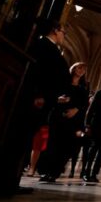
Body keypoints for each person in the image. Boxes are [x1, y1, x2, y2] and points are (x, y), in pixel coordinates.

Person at [25, 20, 71, 178]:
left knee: (31, 133)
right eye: (64, 32)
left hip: (47, 99)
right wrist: (39, 95)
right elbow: (38, 72)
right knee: (27, 135)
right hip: (39, 99)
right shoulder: (43, 45)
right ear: (55, 30)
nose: (64, 36)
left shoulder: (50, 47)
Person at [39, 62, 89, 182]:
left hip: (72, 121)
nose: (81, 70)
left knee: (65, 146)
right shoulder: (62, 82)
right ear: (73, 68)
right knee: (53, 144)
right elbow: (52, 96)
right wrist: (58, 100)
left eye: (84, 69)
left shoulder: (83, 88)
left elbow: (84, 104)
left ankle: (55, 172)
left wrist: (75, 110)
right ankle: (46, 171)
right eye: (79, 67)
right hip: (57, 117)